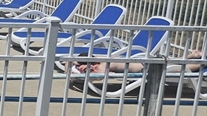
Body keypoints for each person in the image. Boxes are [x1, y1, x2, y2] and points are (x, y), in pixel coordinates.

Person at [74, 49, 205, 75]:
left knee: (184, 68)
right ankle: (192, 55)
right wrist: (74, 67)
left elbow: (100, 76)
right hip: (144, 62)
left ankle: (202, 62)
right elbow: (70, 62)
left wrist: (88, 70)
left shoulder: (105, 65)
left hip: (147, 68)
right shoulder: (99, 59)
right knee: (173, 61)